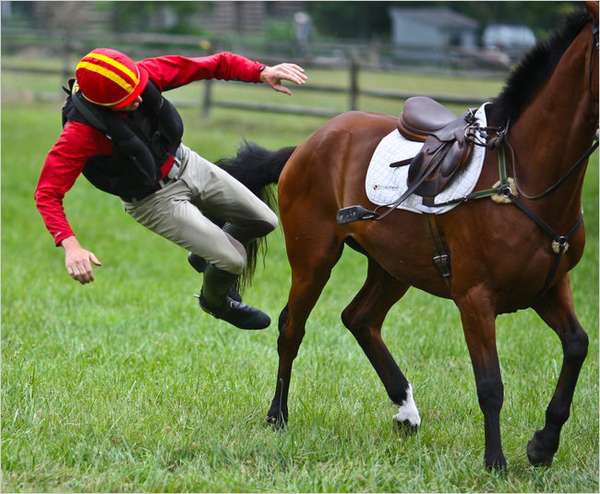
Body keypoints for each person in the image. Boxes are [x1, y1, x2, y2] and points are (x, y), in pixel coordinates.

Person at [34, 48, 307, 330]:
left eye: (139, 89)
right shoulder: (80, 134)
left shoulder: (143, 74)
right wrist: (71, 246)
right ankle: (216, 301)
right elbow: (47, 193)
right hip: (153, 200)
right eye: (128, 101)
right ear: (103, 105)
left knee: (265, 221)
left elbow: (214, 64)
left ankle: (203, 254)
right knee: (234, 260)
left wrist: (261, 72)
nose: (139, 99)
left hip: (187, 162)